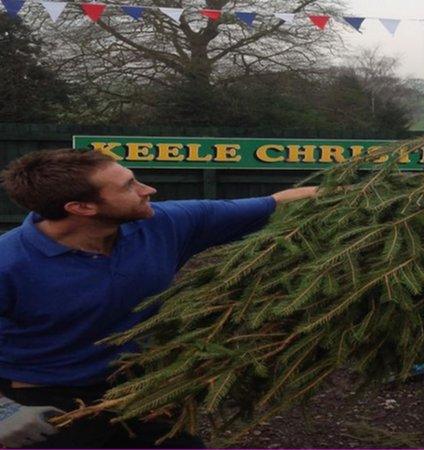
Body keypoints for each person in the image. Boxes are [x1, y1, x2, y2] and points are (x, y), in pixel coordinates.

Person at [0, 149, 318, 448]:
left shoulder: (162, 224)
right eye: (129, 186)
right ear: (82, 208)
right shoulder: (9, 262)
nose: (147, 189)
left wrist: (358, 194)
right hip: (47, 405)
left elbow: (276, 203)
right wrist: (4, 412)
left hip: (141, 389)